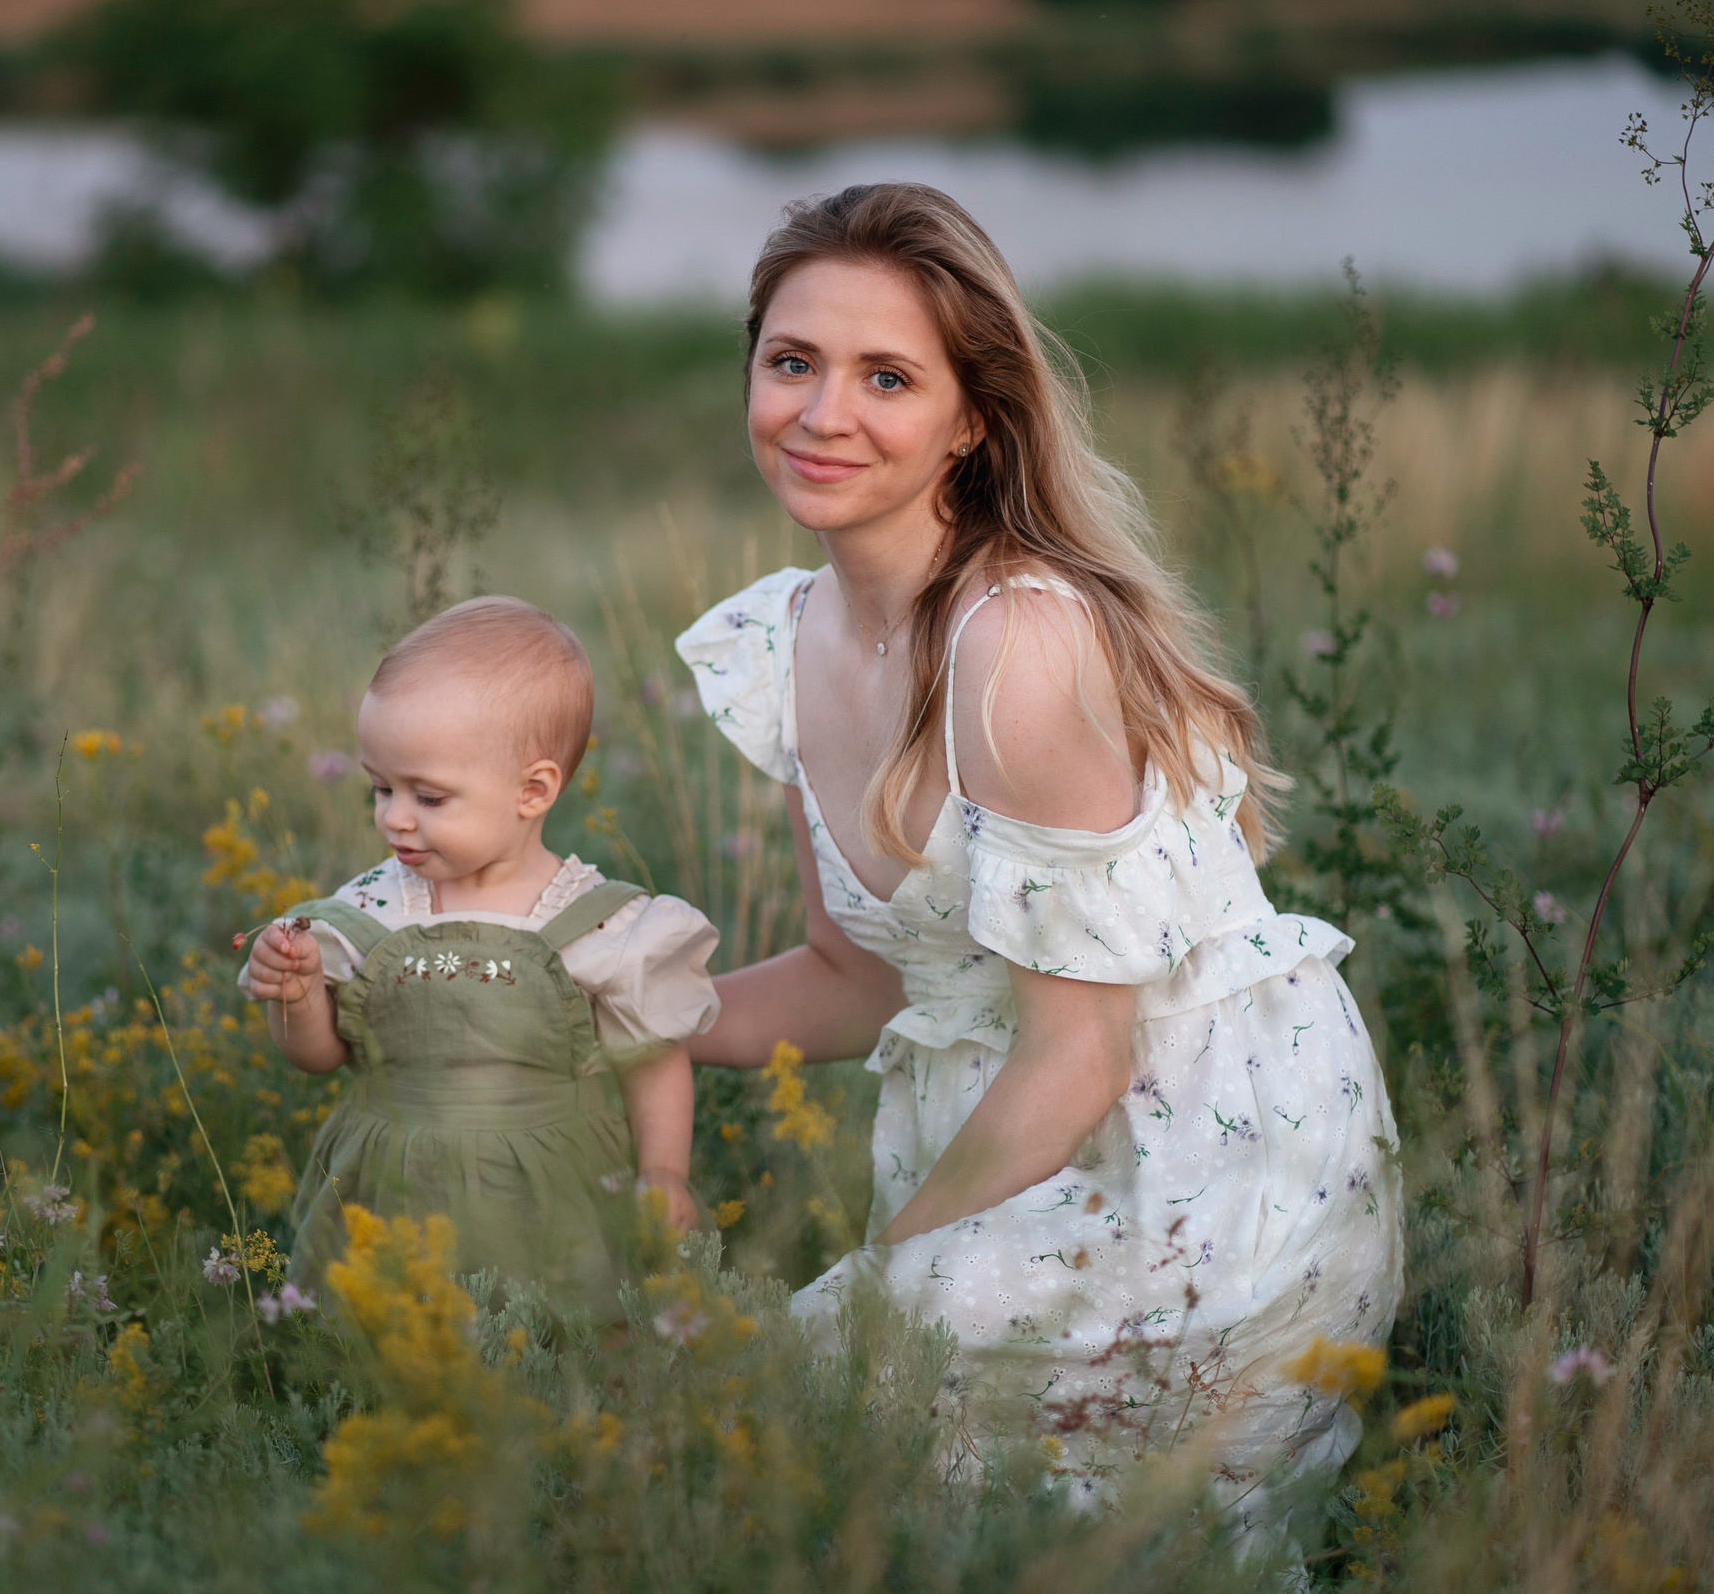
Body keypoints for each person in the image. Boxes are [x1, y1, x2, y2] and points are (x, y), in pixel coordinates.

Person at [676, 183, 1402, 1512]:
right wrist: (626, 1010)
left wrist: (881, 1282)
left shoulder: (1018, 642)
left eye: (885, 375)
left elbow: (1084, 1051)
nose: (822, 412)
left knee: (791, 1417)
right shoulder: (790, 638)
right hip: (1021, 1145)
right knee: (781, 1450)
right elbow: (860, 972)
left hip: (1198, 1171)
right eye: (793, 362)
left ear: (972, 417)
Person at [245, 596, 719, 1319]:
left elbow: (653, 1058)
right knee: (389, 1351)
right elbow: (319, 1054)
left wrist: (663, 1170)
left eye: (428, 796)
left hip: (552, 1198)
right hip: (391, 1194)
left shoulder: (598, 925)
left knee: (571, 1344)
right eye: (380, 787)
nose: (393, 817)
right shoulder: (375, 906)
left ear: (533, 790)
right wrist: (296, 993)